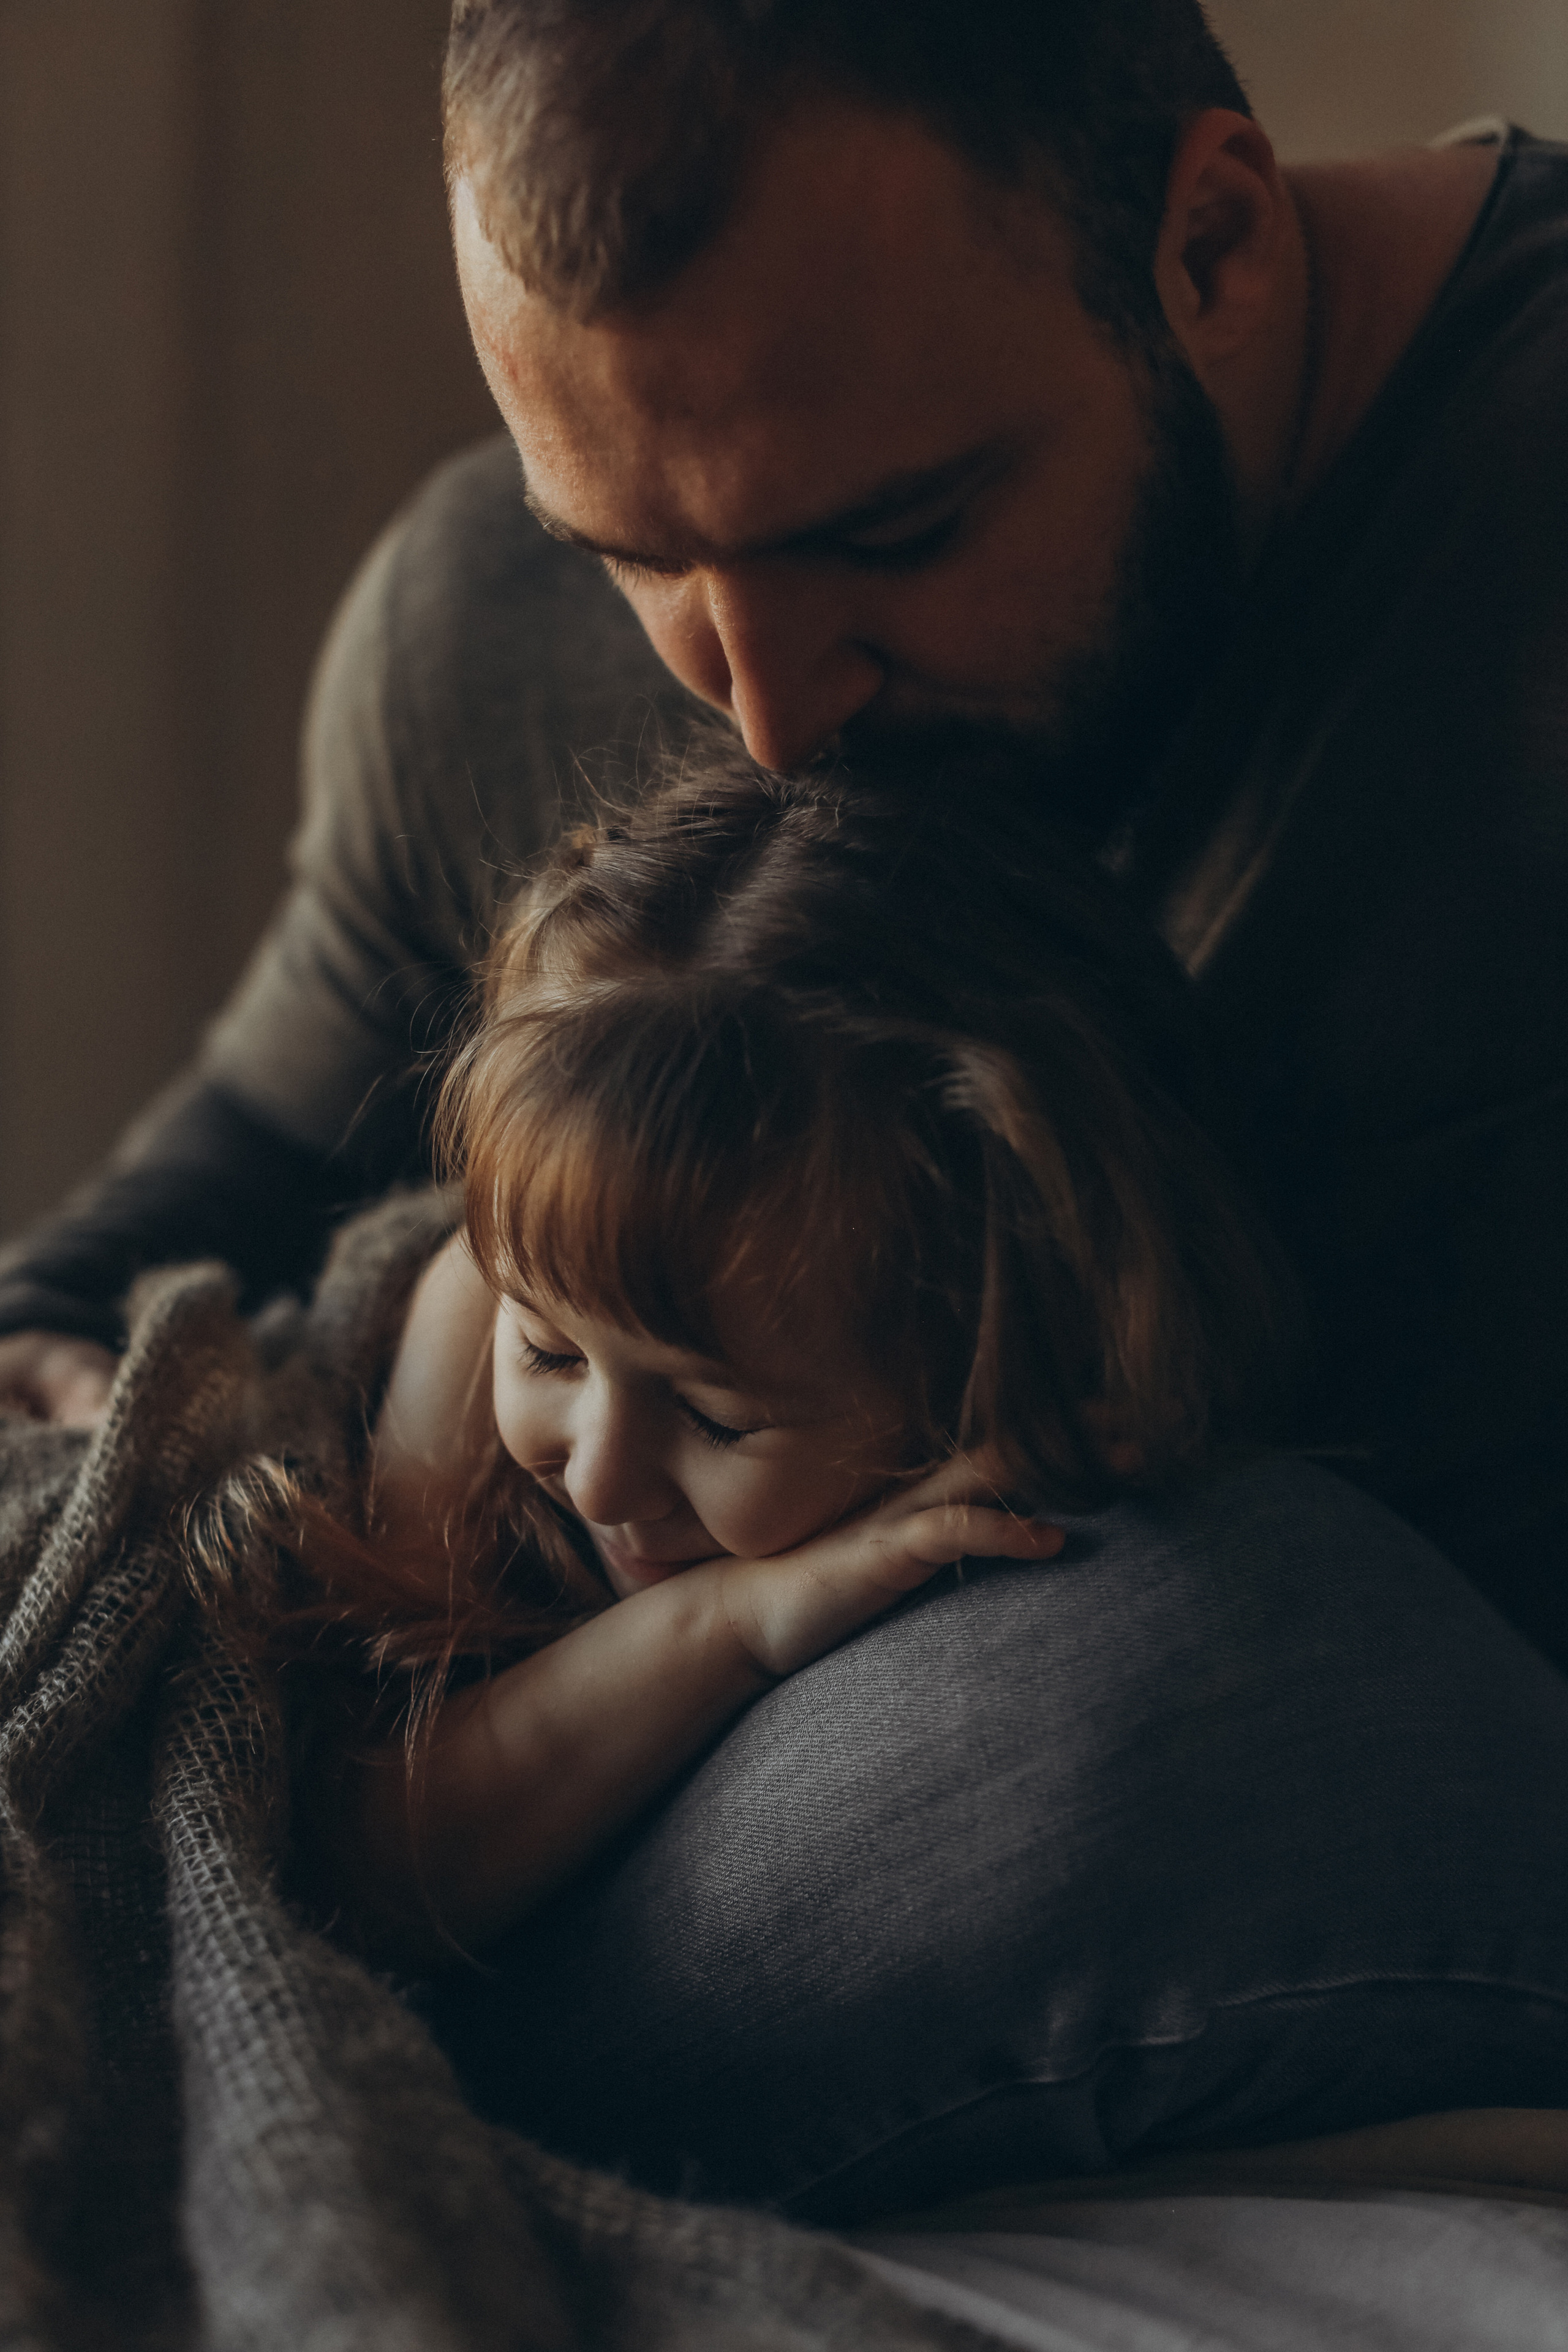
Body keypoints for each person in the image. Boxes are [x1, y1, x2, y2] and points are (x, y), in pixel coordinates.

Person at [1, 6, 1564, 1668]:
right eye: (637, 557)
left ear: (1211, 246)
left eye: (890, 534)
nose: (766, 717)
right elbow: (253, 1148)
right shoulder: (479, 618)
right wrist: (43, 1336)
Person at [266, 755, 1568, 2220]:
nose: (601, 1468)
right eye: (551, 1351)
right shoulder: (464, 1313)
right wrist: (727, 1624)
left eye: (714, 1414)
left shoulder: (1017, 1414)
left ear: (981, 1383)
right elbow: (359, 1867)